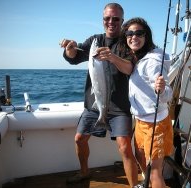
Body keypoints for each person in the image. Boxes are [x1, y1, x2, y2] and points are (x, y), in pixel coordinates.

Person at [60, 3, 139, 187]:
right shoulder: (95, 40)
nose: (111, 22)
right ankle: (84, 172)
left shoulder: (127, 42)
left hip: (120, 107)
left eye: (115, 18)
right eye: (107, 18)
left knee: (125, 147)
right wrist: (69, 49)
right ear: (103, 20)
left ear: (122, 20)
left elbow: (130, 68)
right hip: (95, 104)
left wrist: (112, 57)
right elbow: (74, 57)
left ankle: (134, 185)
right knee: (79, 139)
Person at [118, 17, 174, 188]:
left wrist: (162, 88)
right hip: (142, 121)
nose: (133, 37)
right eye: (129, 33)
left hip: (154, 124)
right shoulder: (139, 57)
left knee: (155, 173)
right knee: (144, 164)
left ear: (146, 36)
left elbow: (166, 95)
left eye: (139, 33)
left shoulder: (152, 62)